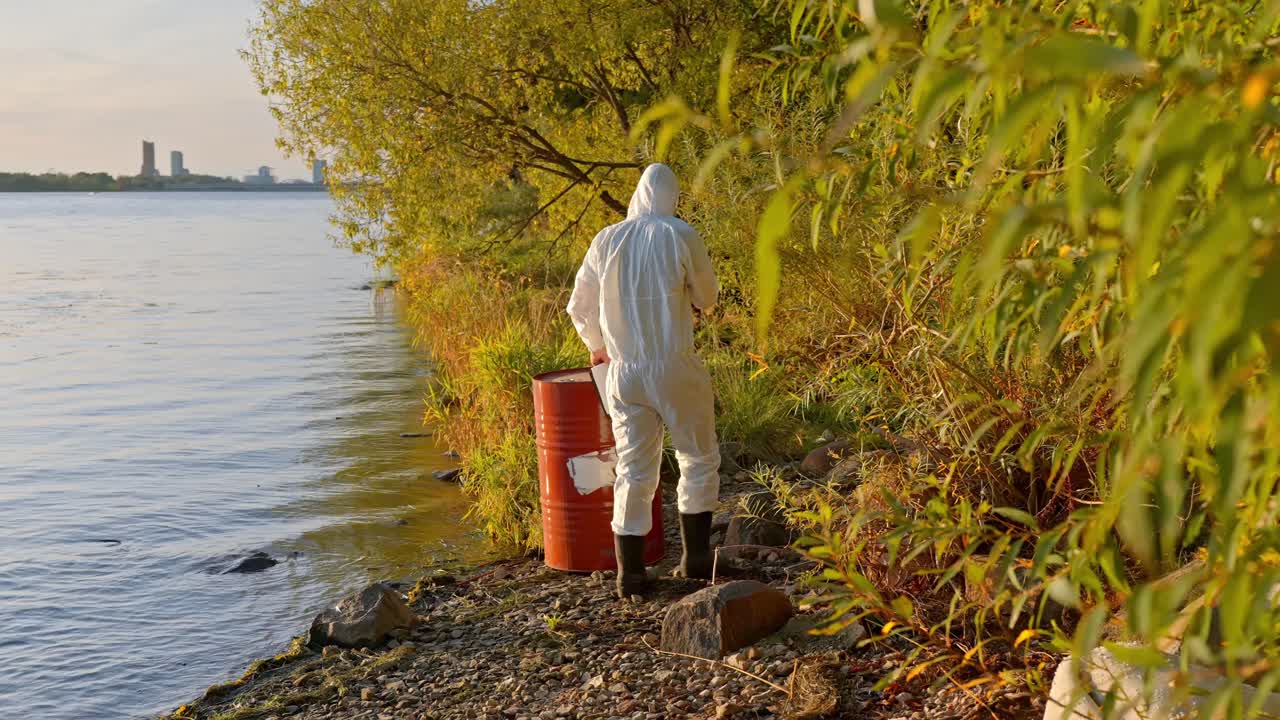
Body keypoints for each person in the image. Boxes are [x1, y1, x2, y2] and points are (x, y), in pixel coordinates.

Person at [566, 163, 721, 598]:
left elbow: (578, 306)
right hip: (674, 365)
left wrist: (597, 344)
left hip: (624, 372)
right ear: (671, 197)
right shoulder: (679, 233)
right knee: (697, 457)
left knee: (633, 469)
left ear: (636, 195)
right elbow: (707, 299)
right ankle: (694, 560)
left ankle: (630, 575)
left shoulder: (607, 239)